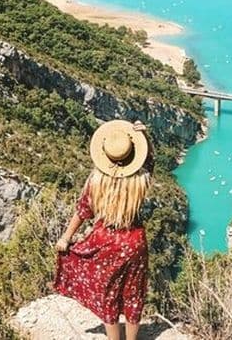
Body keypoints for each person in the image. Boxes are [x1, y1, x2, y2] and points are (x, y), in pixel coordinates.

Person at [54, 119, 154, 340]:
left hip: (105, 241)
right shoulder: (140, 180)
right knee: (133, 293)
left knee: (108, 293)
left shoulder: (97, 181)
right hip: (135, 241)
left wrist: (66, 238)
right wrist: (144, 138)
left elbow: (83, 211)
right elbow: (149, 163)